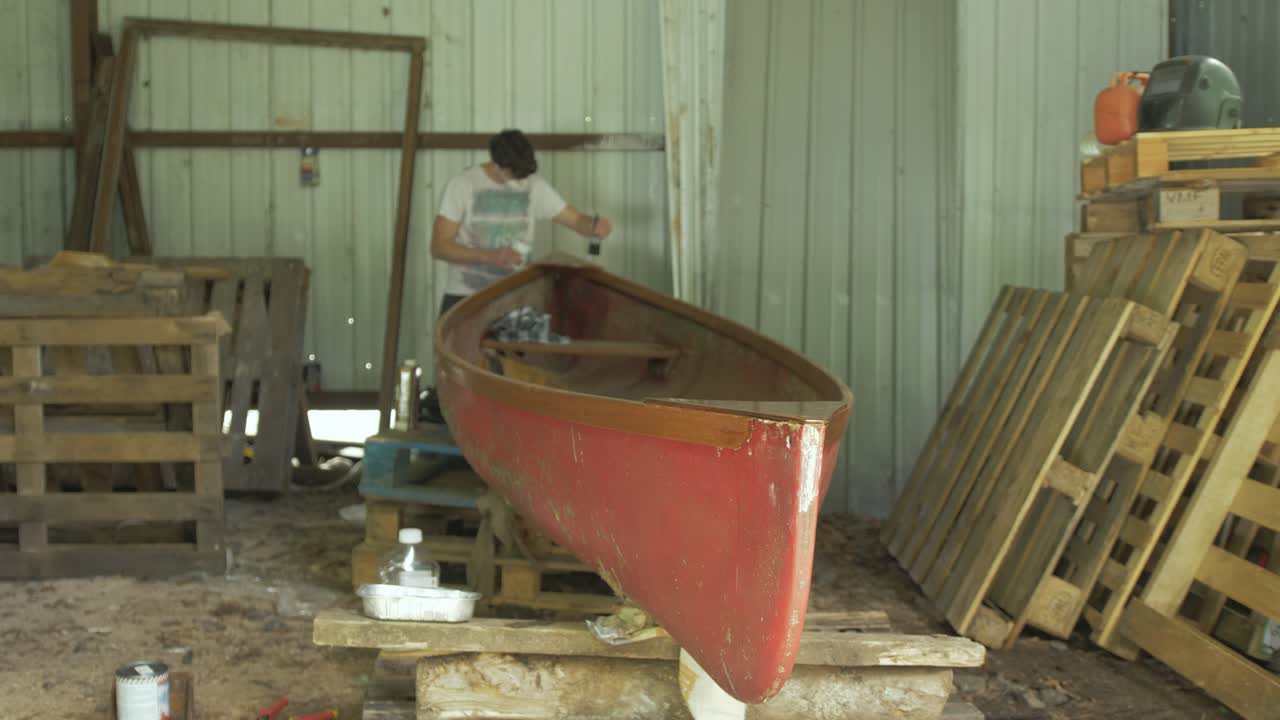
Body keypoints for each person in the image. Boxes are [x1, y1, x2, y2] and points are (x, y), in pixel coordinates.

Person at [419, 128, 614, 422]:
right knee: (458, 376)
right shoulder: (464, 185)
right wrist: (492, 256)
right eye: (515, 175)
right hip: (466, 296)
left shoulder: (533, 186)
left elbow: (575, 220)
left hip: (515, 297)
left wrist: (593, 225)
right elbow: (439, 247)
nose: (521, 181)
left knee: (527, 371)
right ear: (496, 165)